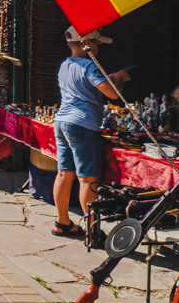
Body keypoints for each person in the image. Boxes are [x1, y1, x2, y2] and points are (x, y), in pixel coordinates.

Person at [52, 26, 129, 238]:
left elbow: (83, 87)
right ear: (88, 44)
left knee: (63, 174)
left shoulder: (65, 65)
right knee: (87, 179)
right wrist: (120, 78)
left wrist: (109, 78)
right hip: (82, 124)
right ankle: (93, 230)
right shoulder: (89, 66)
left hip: (62, 121)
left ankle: (63, 222)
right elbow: (113, 94)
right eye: (97, 43)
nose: (98, 47)